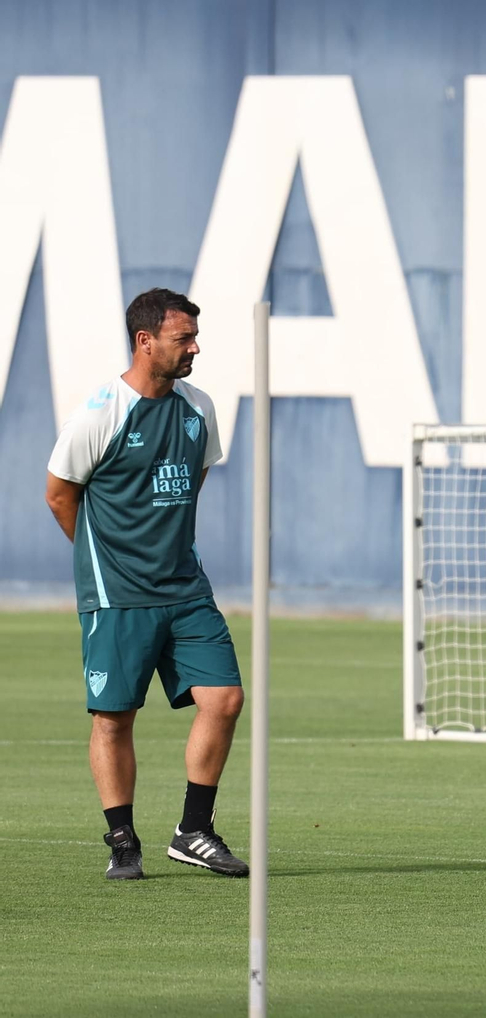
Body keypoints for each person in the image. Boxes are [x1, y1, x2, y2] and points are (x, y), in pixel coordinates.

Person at [44, 288, 248, 881]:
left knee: (226, 699)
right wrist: (102, 562)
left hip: (185, 586)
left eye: (194, 336)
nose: (195, 347)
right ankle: (122, 839)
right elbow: (60, 495)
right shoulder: (98, 413)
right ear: (145, 340)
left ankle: (194, 831)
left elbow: (194, 480)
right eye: (183, 337)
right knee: (114, 717)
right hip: (118, 594)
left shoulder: (199, 407)